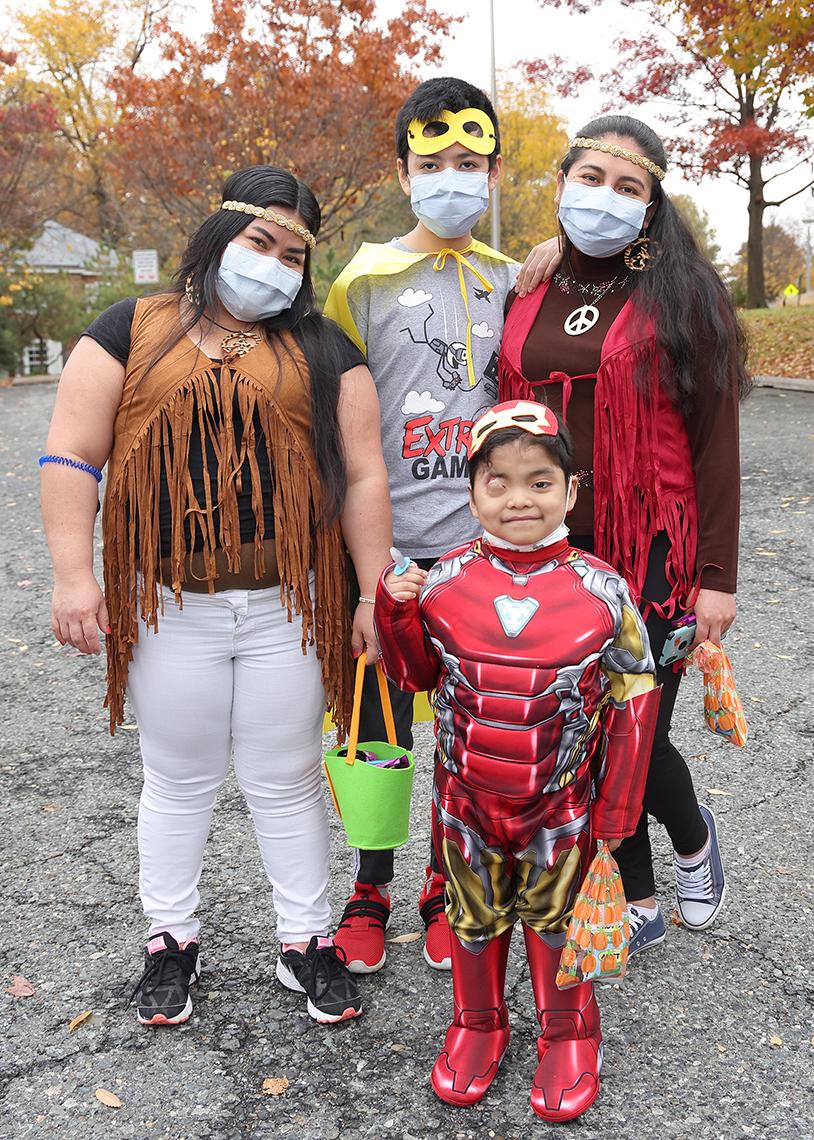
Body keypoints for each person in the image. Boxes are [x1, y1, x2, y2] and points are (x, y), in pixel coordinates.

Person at [39, 165, 392, 1028]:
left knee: (287, 778)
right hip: (168, 603)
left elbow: (364, 475)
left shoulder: (323, 348)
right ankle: (171, 941)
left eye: (294, 254)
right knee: (179, 779)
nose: (273, 265)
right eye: (259, 241)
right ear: (217, 235)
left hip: (287, 604)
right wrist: (73, 574)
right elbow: (72, 452)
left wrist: (371, 595)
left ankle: (306, 942)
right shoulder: (131, 327)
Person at [500, 116, 750, 955]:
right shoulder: (531, 284)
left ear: (652, 207)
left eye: (628, 186)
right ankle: (656, 874)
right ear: (563, 182)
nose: (604, 198)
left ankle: (669, 860)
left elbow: (716, 441)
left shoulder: (685, 295)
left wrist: (717, 574)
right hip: (551, 552)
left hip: (650, 549)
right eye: (591, 178)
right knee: (581, 730)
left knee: (631, 727)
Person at [374, 400, 660, 1122]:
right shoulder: (440, 583)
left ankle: (569, 1035)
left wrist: (621, 805)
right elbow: (415, 678)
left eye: (539, 481)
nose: (518, 498)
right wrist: (394, 613)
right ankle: (477, 1025)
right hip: (466, 802)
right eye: (496, 482)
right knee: (473, 919)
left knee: (557, 920)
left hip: (559, 805)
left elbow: (634, 697)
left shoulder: (604, 590)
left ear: (571, 490)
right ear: (470, 493)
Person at [324, 77, 521, 975]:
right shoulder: (360, 282)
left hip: (479, 559)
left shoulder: (516, 281)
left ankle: (448, 883)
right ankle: (370, 889)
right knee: (375, 729)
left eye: (470, 164)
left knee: (469, 734)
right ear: (403, 174)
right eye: (434, 163)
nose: (453, 178)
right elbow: (330, 424)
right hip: (386, 556)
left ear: (493, 175)